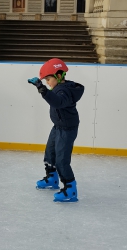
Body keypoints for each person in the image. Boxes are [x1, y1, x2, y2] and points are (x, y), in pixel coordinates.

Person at [28, 58, 84, 202]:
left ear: (59, 76)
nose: (47, 82)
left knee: (62, 160)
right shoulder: (58, 88)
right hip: (58, 126)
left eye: (48, 79)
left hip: (67, 129)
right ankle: (52, 178)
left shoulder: (65, 91)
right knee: (50, 153)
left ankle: (70, 189)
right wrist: (45, 89)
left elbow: (57, 102)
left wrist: (42, 89)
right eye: (45, 80)